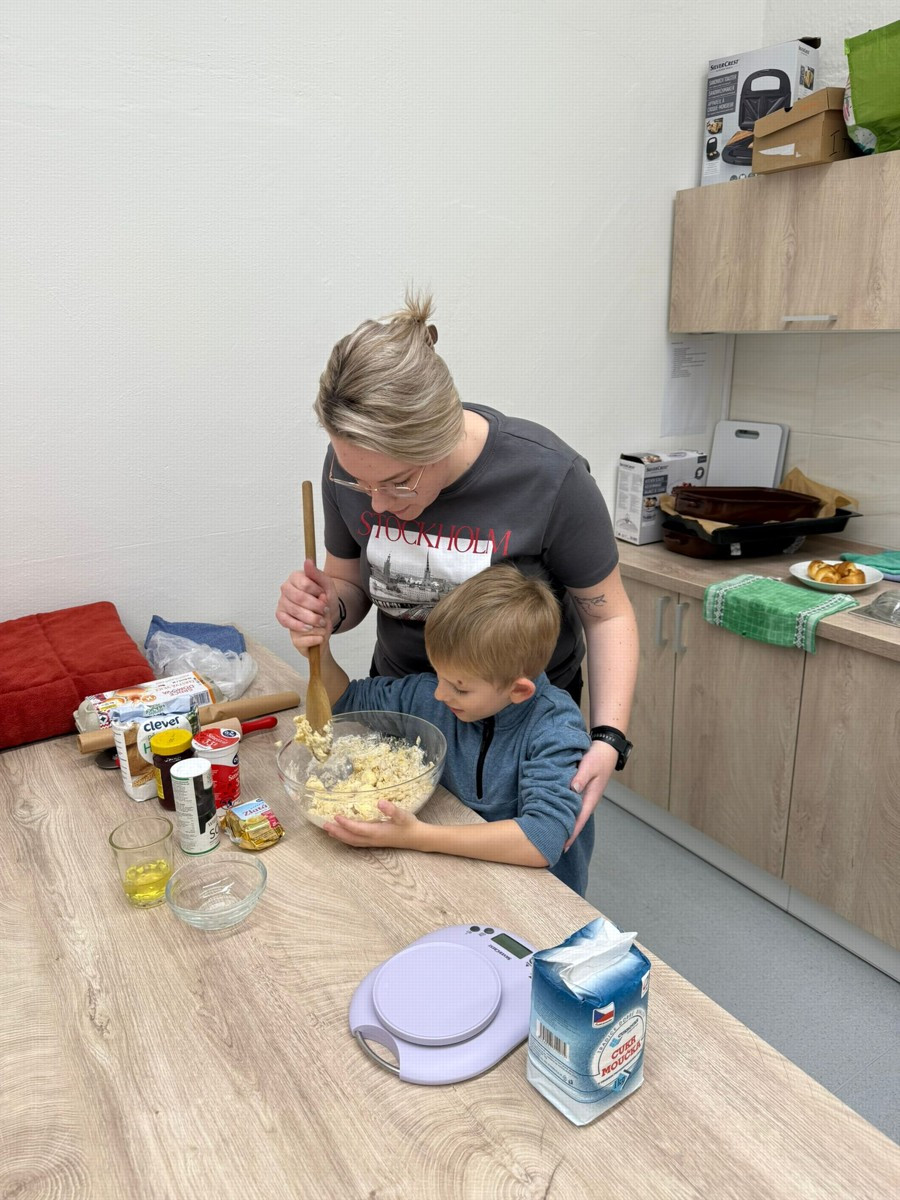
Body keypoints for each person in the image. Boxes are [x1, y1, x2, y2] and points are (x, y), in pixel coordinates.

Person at [277, 291, 638, 841]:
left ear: (443, 435)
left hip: (516, 726)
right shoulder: (355, 463)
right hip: (405, 708)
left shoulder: (549, 477)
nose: (376, 504)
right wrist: (324, 611)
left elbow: (607, 615)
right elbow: (350, 584)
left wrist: (608, 738)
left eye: (398, 483)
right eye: (360, 483)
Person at [293, 564, 595, 895]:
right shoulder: (431, 697)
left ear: (518, 690)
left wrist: (418, 837)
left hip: (539, 897)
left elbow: (542, 839)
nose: (439, 694)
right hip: (459, 879)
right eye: (439, 675)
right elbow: (347, 701)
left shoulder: (554, 727)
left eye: (459, 688)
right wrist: (320, 654)